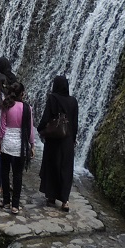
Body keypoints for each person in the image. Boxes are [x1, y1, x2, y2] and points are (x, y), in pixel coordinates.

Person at [38, 75, 80, 211]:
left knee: (52, 166)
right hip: (67, 140)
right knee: (66, 169)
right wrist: (73, 139)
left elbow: (46, 117)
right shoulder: (73, 101)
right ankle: (65, 201)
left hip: (53, 139)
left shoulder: (53, 98)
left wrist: (41, 129)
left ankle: (51, 196)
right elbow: (74, 123)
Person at [0, 81, 37, 214]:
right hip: (20, 145)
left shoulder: (6, 106)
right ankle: (15, 205)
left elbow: (2, 128)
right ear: (22, 94)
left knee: (4, 172)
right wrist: (32, 145)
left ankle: (5, 201)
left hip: (7, 143)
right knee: (17, 175)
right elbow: (30, 129)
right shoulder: (27, 108)